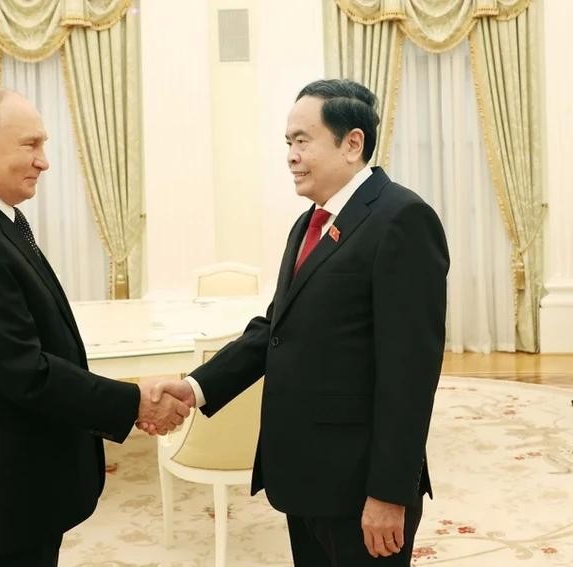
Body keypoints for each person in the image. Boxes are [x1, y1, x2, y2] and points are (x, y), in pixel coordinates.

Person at [145, 79, 449, 566]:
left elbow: (410, 376)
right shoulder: (310, 221)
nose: (291, 155)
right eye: (288, 142)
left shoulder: (402, 219)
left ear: (353, 143)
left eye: (303, 140)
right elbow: (275, 328)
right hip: (307, 477)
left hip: (361, 485)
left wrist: (389, 493)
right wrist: (196, 388)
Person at [0, 86, 190, 567]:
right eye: (31, 144)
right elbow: (25, 371)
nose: (44, 161)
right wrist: (134, 401)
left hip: (17, 493)